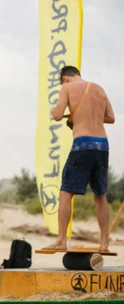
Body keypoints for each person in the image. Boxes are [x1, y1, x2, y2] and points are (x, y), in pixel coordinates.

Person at [45, 66, 115, 251]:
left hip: (82, 143)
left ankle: (61, 240)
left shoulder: (67, 88)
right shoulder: (99, 88)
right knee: (100, 194)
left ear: (65, 79)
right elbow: (111, 118)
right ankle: (104, 244)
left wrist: (62, 112)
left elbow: (57, 115)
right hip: (102, 145)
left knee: (66, 191)